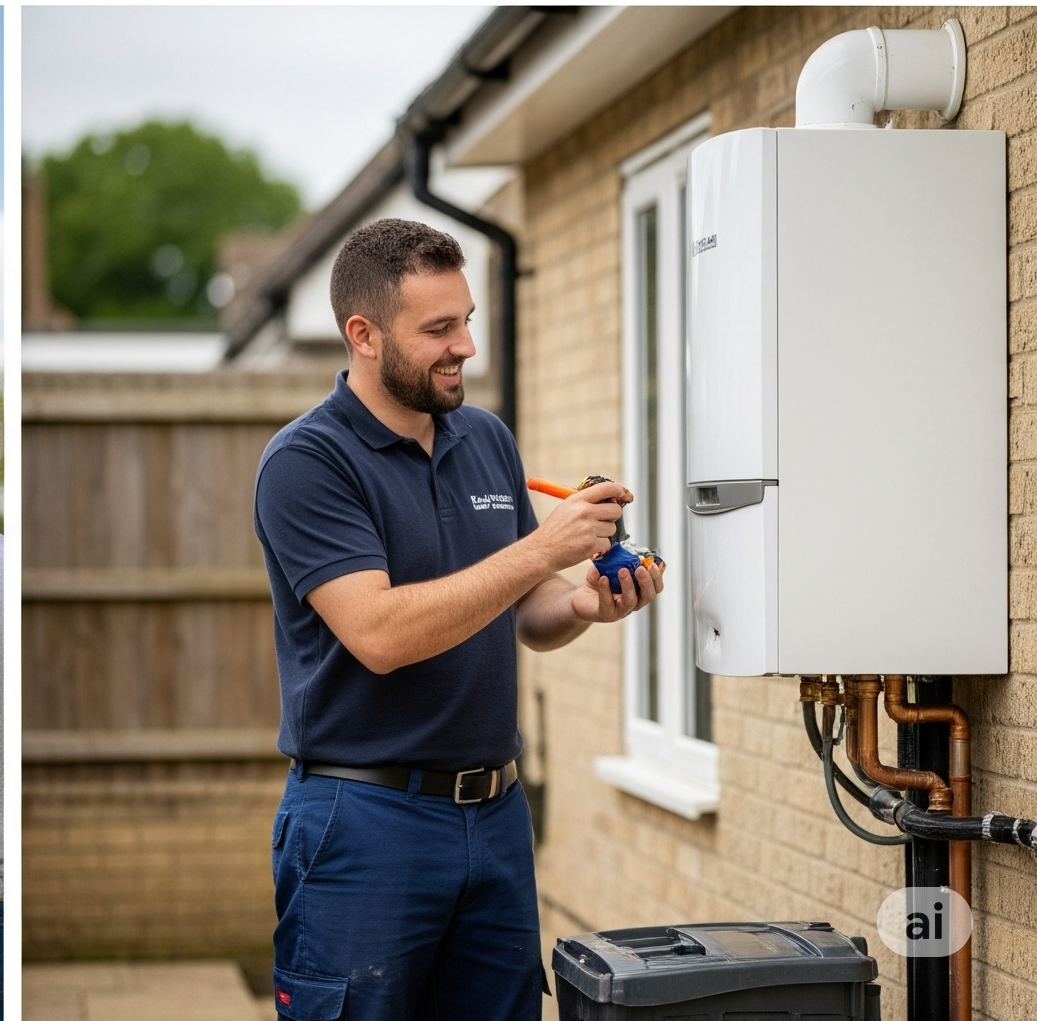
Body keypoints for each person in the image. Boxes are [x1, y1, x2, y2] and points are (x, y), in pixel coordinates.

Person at [254, 218, 663, 1021]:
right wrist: (541, 548)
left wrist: (580, 600)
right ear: (363, 335)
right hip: (363, 820)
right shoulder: (306, 462)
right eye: (439, 328)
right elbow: (378, 633)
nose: (465, 346)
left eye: (467, 319)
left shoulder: (484, 439)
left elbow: (524, 610)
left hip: (496, 816)